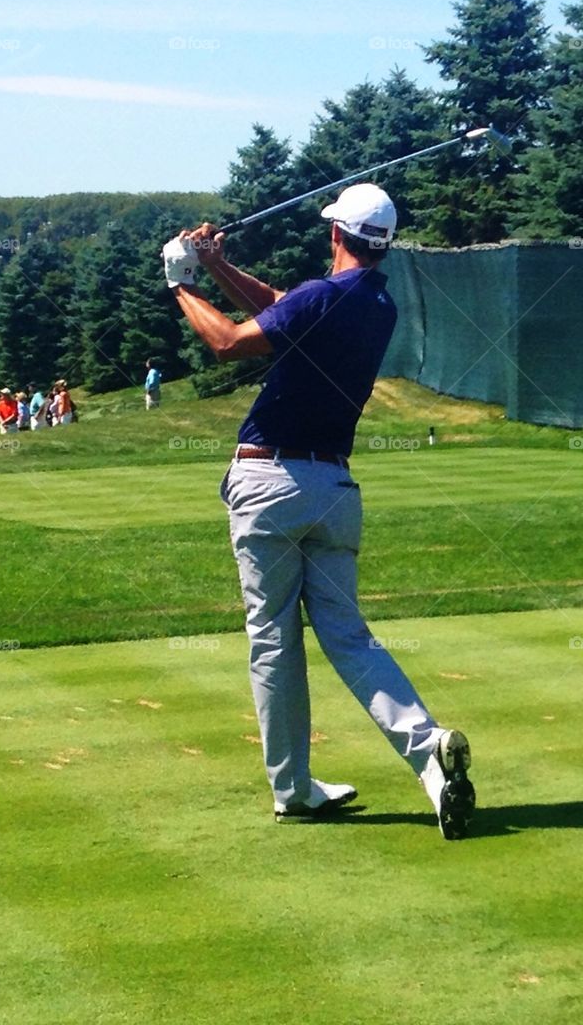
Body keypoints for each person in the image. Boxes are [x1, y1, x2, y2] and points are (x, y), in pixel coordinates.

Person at [165, 184, 475, 839]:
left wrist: (180, 283)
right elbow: (281, 309)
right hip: (332, 490)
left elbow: (227, 342)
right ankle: (428, 755)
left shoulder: (322, 295)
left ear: (333, 232)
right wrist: (217, 266)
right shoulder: (376, 304)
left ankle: (294, 789)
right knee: (347, 635)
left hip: (267, 480)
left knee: (272, 637)